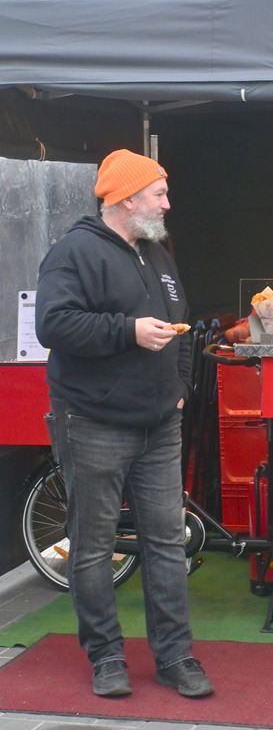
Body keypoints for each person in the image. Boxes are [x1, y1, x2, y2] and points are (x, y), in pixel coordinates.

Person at [35, 149, 214, 699]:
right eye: (159, 193)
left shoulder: (157, 253)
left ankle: (176, 657)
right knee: (93, 546)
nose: (168, 203)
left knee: (167, 543)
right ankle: (106, 657)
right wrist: (128, 331)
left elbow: (183, 323)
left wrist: (180, 388)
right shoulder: (74, 252)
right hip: (93, 421)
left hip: (159, 424)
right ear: (127, 199)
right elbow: (53, 325)